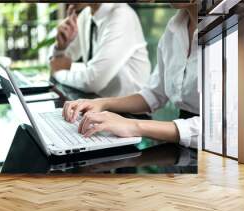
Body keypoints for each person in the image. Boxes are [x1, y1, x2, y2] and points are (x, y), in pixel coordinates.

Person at [62, 3, 199, 149]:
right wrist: (101, 103)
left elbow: (222, 129)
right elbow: (153, 94)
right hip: (181, 145)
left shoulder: (225, 30)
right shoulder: (175, 27)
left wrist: (133, 125)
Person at [50, 3, 151, 97]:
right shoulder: (86, 15)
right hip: (99, 105)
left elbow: (93, 81)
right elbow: (63, 58)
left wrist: (58, 73)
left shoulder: (122, 15)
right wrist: (60, 48)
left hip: (130, 113)